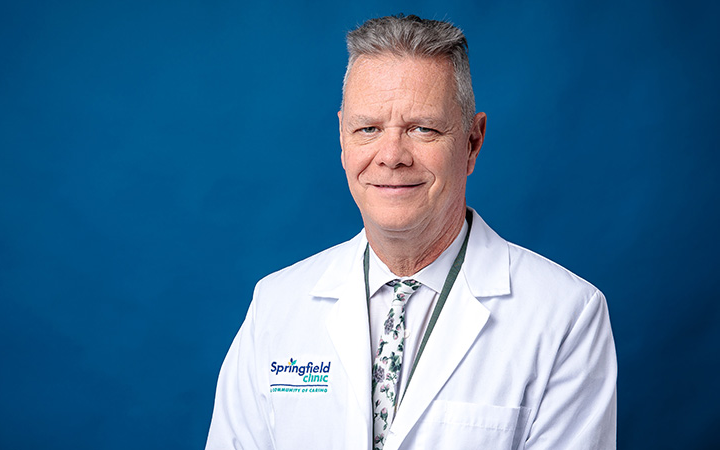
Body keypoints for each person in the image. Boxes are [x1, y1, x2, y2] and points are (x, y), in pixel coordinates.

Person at [206, 14, 616, 450]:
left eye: (423, 128)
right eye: (368, 129)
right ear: (343, 140)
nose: (392, 156)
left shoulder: (567, 316)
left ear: (472, 142)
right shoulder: (276, 305)